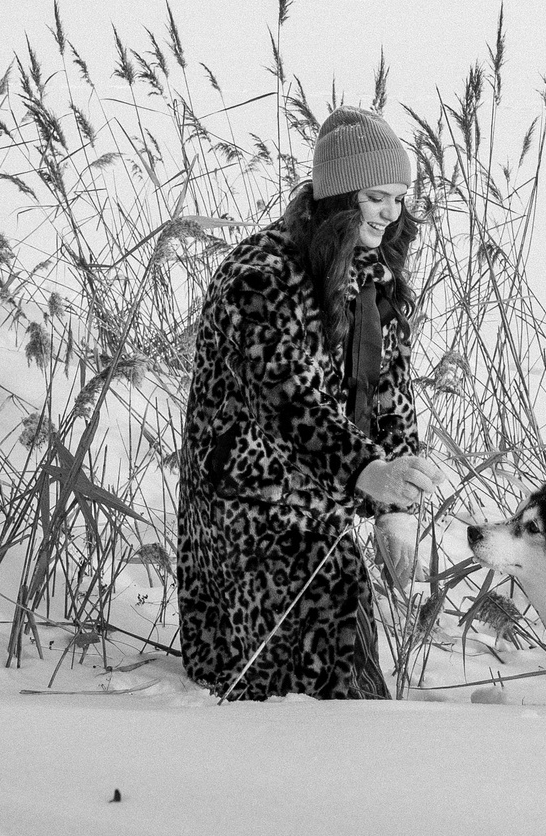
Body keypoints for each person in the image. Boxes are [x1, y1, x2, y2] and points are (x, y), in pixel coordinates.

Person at [176, 106, 442, 699]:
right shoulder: (261, 274)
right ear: (340, 195)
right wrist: (367, 473)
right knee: (277, 700)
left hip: (324, 502)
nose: (391, 213)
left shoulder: (375, 281)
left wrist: (397, 508)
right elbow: (287, 404)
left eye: (399, 197)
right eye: (377, 196)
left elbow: (389, 394)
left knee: (351, 676)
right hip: (247, 506)